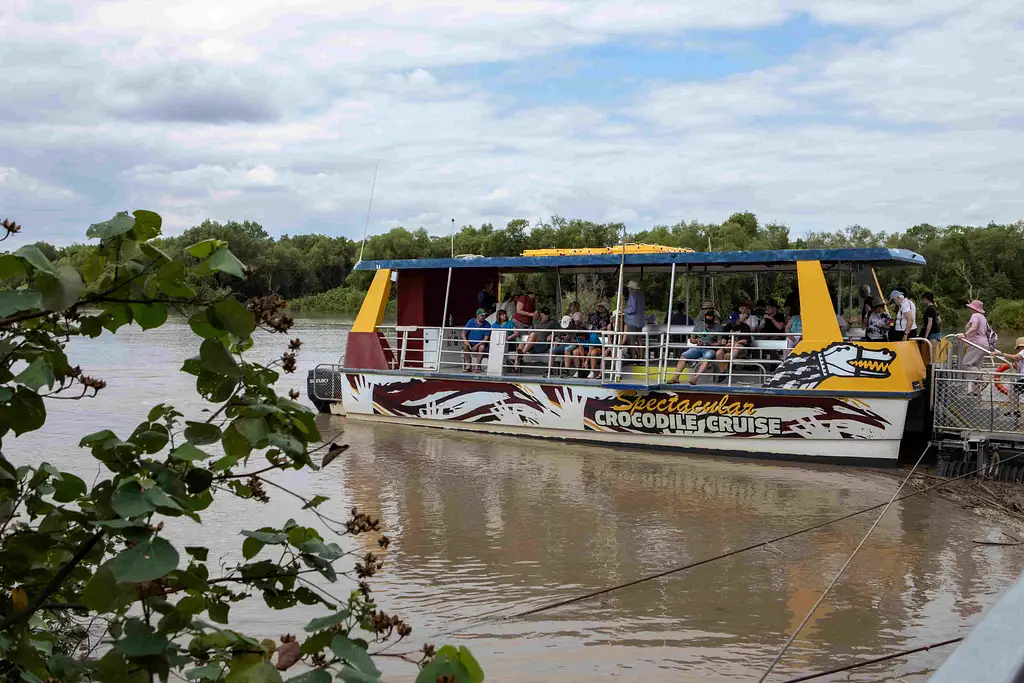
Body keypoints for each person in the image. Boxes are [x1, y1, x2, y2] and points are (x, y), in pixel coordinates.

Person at [668, 310, 722, 385]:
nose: (708, 325)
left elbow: (719, 343)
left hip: (710, 349)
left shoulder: (718, 327)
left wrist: (710, 344)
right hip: (698, 347)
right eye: (707, 323)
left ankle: (695, 378)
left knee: (707, 358)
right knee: (684, 356)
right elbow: (692, 339)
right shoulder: (699, 325)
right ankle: (675, 377)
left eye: (710, 323)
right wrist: (696, 341)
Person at [958, 300, 991, 396]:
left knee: (966, 364)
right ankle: (976, 392)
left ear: (973, 308)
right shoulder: (983, 318)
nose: (969, 309)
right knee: (976, 366)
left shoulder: (975, 316)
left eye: (970, 307)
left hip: (976, 343)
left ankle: (982, 379)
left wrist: (964, 334)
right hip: (984, 344)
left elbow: (974, 327)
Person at [716, 312, 752, 383]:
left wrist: (734, 343)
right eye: (731, 322)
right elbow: (723, 341)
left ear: (738, 319)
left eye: (734, 321)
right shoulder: (727, 327)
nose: (732, 323)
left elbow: (745, 341)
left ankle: (728, 359)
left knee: (736, 346)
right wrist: (726, 344)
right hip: (729, 348)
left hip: (742, 350)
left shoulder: (745, 327)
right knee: (719, 352)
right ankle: (722, 372)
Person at [1004, 337, 1024, 426]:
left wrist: (1001, 353)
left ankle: (1015, 410)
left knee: (1013, 390)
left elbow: (1016, 357)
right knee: (1014, 391)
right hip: (1022, 378)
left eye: (1019, 348)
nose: (1019, 350)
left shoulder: (1023, 352)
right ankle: (1015, 410)